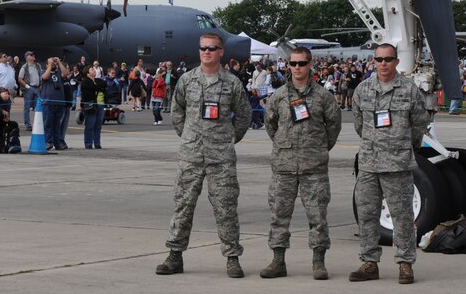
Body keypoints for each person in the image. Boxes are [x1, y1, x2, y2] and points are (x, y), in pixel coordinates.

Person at [156, 32, 251, 279]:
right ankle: (174, 256)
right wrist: (189, 137)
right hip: (191, 155)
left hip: (221, 157)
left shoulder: (232, 83)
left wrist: (228, 139)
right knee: (183, 205)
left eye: (212, 48)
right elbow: (177, 113)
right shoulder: (187, 80)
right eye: (203, 48)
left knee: (226, 207)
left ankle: (232, 258)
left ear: (221, 52)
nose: (207, 51)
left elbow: (243, 116)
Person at [260, 47, 342, 280]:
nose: (297, 68)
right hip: (283, 167)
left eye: (301, 63)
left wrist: (318, 149)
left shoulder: (323, 96)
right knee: (279, 215)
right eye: (293, 64)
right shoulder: (278, 96)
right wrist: (283, 145)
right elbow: (270, 125)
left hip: (313, 167)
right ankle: (278, 261)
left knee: (318, 216)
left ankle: (318, 262)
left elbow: (333, 127)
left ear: (310, 65)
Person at [349, 43, 428, 285]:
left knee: (402, 216)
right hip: (369, 164)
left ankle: (405, 264)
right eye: (379, 59)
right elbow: (359, 124)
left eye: (388, 59)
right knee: (367, 215)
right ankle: (369, 263)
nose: (383, 63)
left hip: (397, 164)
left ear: (396, 62)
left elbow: (419, 125)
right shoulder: (363, 90)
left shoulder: (409, 89)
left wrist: (402, 146)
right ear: (374, 61)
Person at [41, 57, 67, 150]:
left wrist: (59, 62)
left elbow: (66, 73)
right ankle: (48, 142)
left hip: (59, 102)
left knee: (57, 125)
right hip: (48, 102)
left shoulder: (58, 73)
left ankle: (57, 143)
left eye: (54, 63)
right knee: (48, 124)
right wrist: (50, 66)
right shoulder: (44, 71)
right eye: (51, 63)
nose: (53, 64)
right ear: (47, 65)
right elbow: (45, 77)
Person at [80, 66, 105, 148]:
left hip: (98, 105)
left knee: (98, 125)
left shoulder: (97, 80)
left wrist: (97, 86)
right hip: (89, 106)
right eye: (92, 70)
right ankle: (88, 143)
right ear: (88, 73)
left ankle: (97, 143)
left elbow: (104, 85)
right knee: (90, 125)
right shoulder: (85, 81)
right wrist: (97, 87)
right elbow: (92, 88)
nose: (94, 70)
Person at [18, 51, 42, 131]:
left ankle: (39, 123)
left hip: (37, 87)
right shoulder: (24, 67)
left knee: (39, 106)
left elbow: (40, 76)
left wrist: (40, 85)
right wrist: (27, 86)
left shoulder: (38, 65)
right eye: (31, 55)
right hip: (29, 88)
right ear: (27, 57)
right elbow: (20, 79)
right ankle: (28, 124)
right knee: (27, 107)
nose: (33, 56)